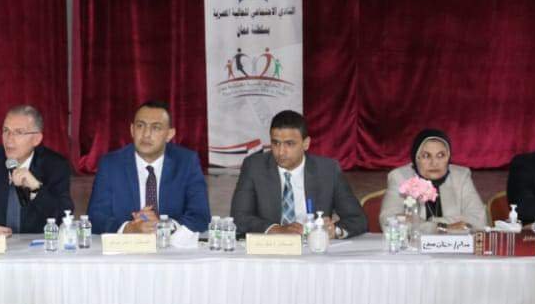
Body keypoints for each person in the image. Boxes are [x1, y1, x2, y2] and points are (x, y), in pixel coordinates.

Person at [230, 110, 365, 238]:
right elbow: (239, 217)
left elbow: (358, 219)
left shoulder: (328, 170)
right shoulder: (254, 167)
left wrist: (334, 231)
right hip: (271, 247)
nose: (281, 152)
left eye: (289, 144)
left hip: (313, 247)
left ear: (306, 144)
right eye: (276, 143)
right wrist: (276, 229)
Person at [87, 101, 210, 234]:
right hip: (127, 245)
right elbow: (95, 218)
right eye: (140, 126)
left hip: (170, 244)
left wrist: (163, 226)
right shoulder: (111, 164)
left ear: (169, 134)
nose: (146, 134)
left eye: (156, 128)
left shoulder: (186, 162)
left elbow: (201, 216)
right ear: (132, 130)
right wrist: (129, 228)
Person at [0, 105, 74, 235]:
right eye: (6, 130)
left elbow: (64, 217)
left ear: (36, 139)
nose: (9, 138)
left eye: (19, 132)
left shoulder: (55, 166)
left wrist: (36, 189)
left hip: (36, 246)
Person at [379, 129, 487, 231]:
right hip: (415, 244)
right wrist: (442, 227)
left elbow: (479, 220)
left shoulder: (461, 177)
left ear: (448, 157)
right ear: (416, 158)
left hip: (455, 243)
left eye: (440, 155)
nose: (434, 163)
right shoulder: (400, 177)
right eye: (426, 156)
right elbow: (389, 220)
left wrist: (425, 223)